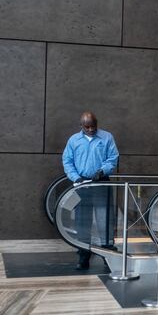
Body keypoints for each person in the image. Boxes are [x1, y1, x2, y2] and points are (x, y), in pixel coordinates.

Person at [62, 111, 120, 269]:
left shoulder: (107, 137)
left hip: (102, 184)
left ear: (97, 124)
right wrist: (76, 178)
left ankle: (108, 256)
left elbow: (113, 157)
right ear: (81, 126)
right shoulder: (74, 140)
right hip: (82, 185)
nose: (90, 130)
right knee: (82, 221)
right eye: (87, 127)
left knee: (105, 220)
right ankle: (83, 256)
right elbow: (67, 161)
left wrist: (102, 171)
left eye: (93, 126)